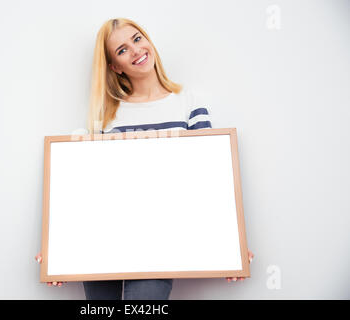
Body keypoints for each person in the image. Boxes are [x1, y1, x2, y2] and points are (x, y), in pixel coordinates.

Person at [35, 17, 254, 299]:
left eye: (137, 39)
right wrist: (59, 247)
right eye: (122, 50)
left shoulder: (189, 103)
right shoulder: (107, 116)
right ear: (115, 66)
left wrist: (231, 243)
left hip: (162, 244)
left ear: (148, 41)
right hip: (104, 243)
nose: (136, 50)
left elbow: (210, 177)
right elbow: (91, 189)